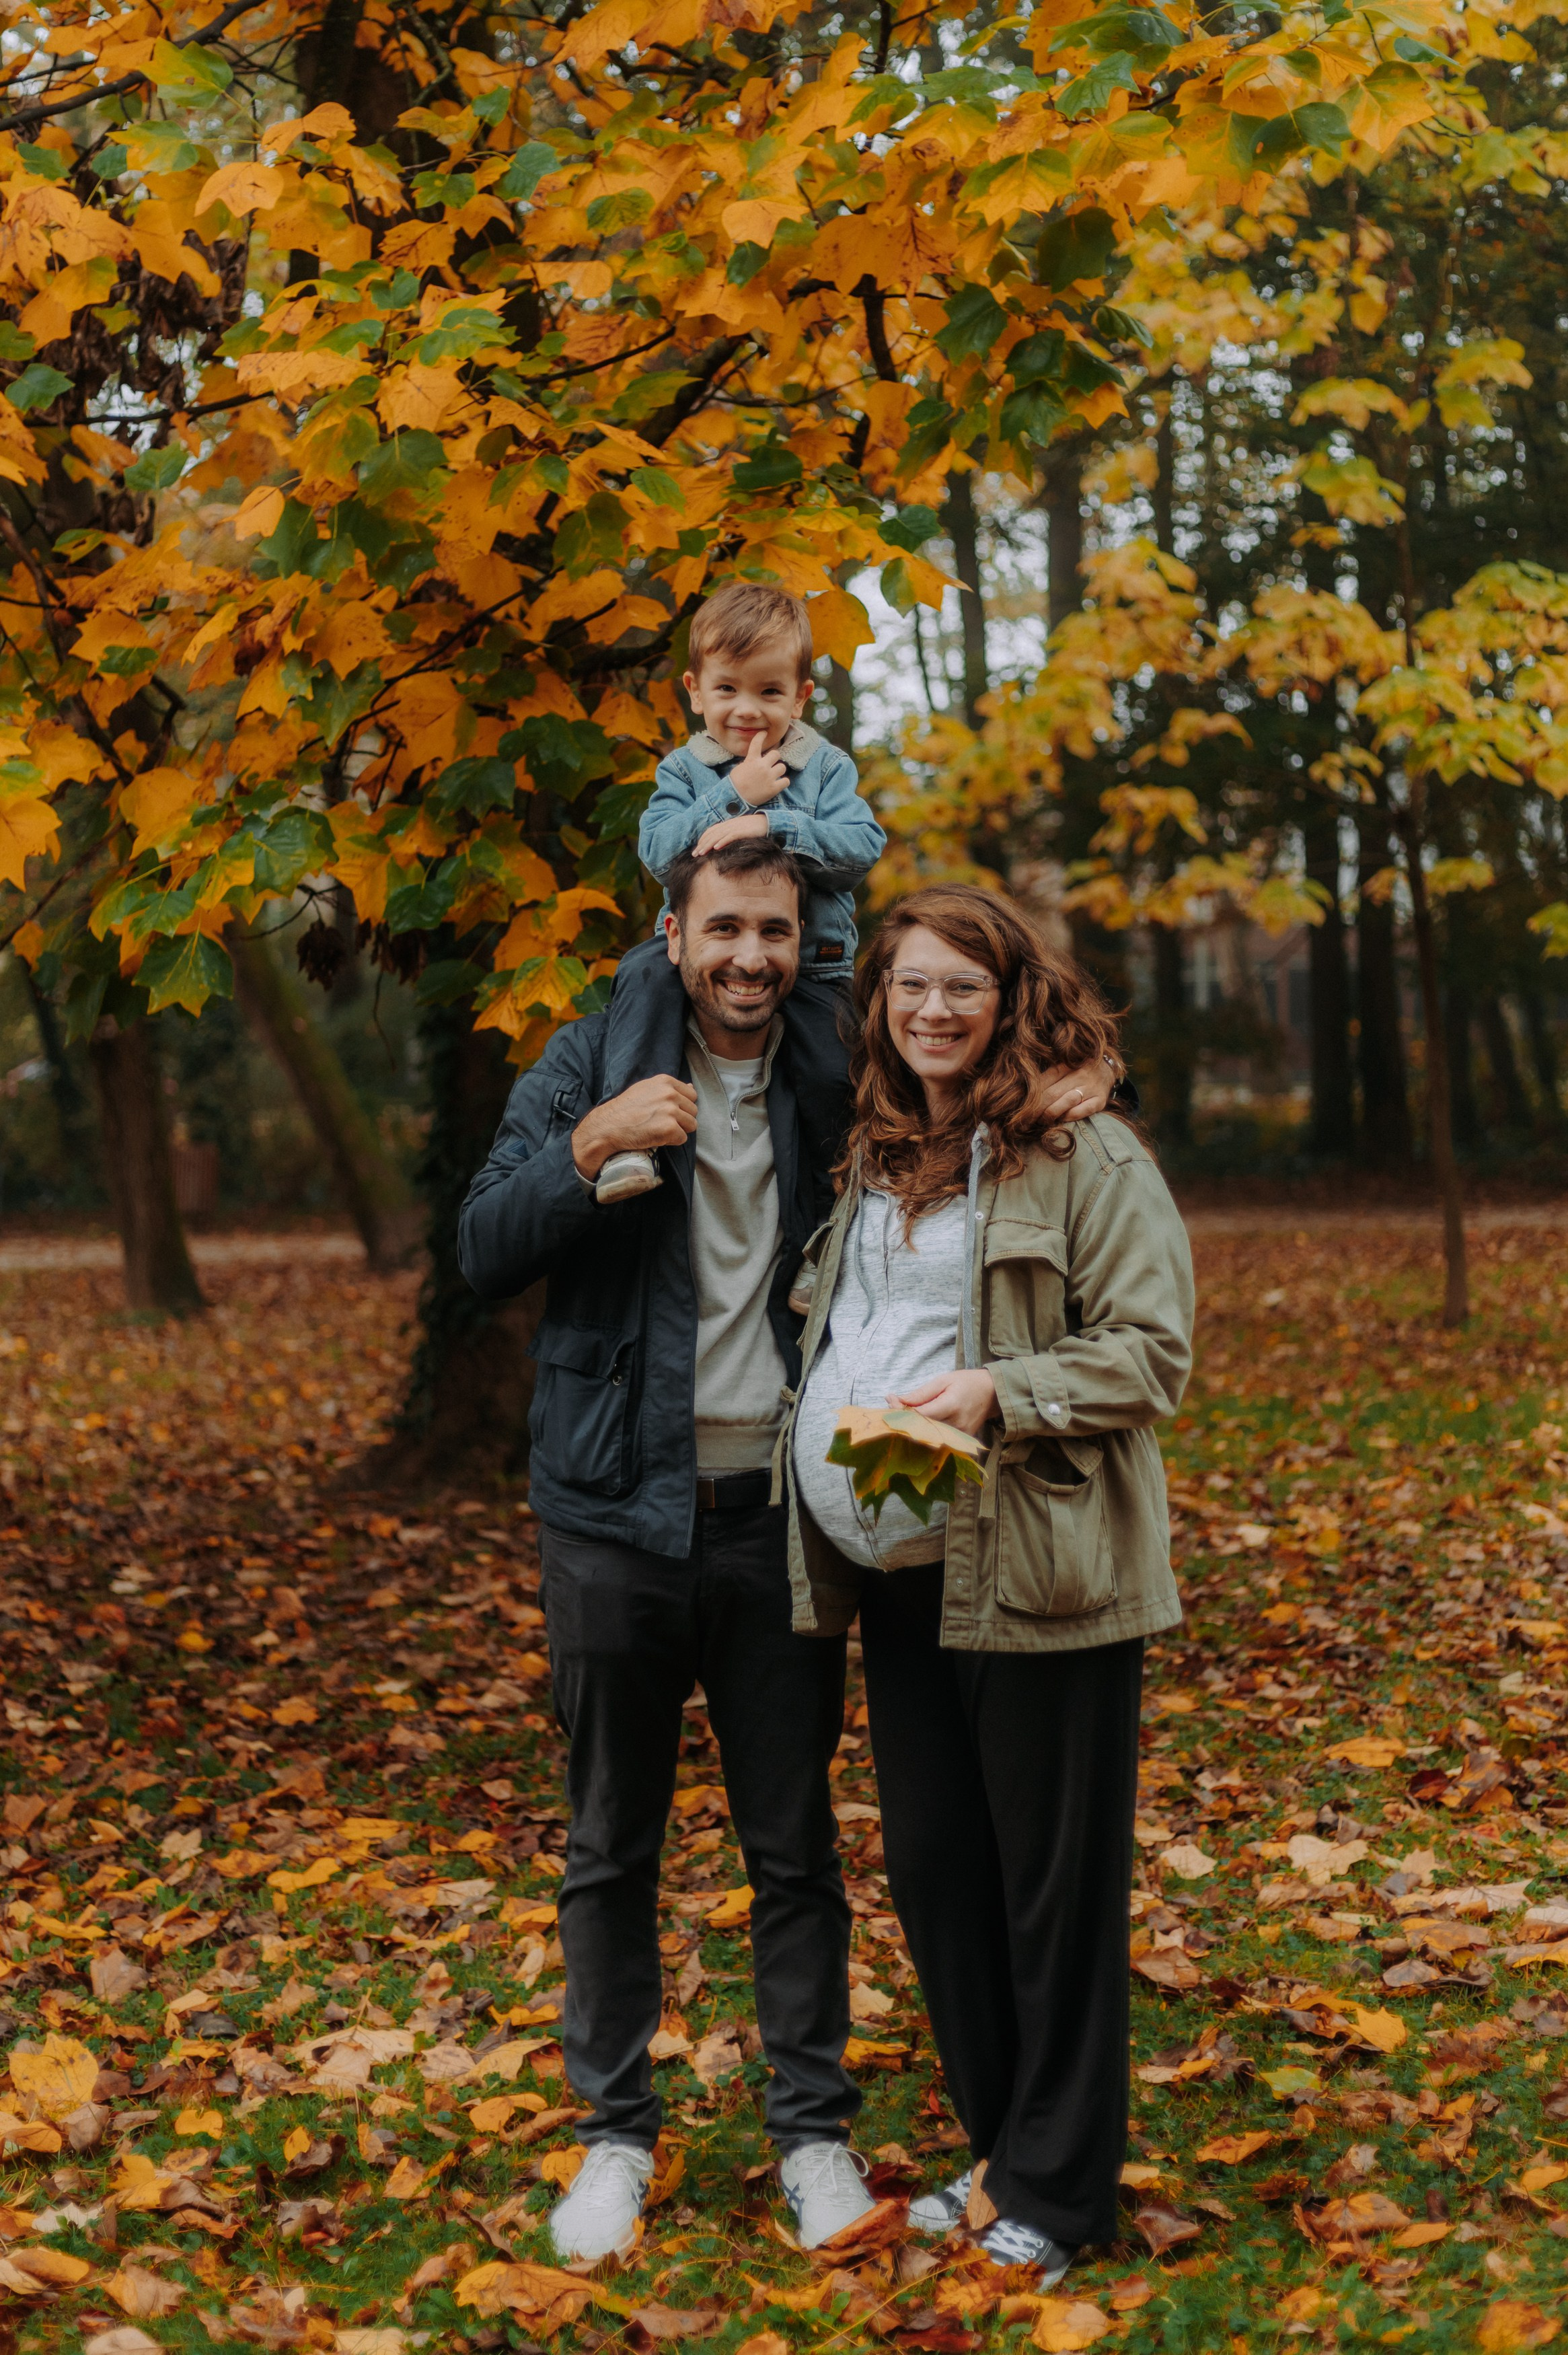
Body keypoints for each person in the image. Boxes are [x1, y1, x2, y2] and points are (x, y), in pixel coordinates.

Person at [457, 838, 876, 2263]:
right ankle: (612, 2139)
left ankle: (811, 2134)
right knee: (607, 1842)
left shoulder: (843, 1062)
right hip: (609, 1519)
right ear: (673, 928)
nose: (748, 955)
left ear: (802, 940)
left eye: (773, 930)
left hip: (781, 1516)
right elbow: (481, 1246)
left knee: (793, 1845)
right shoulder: (586, 1058)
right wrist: (584, 1152)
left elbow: (990, 1099)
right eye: (724, 929)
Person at [778, 885, 1194, 2281]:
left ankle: (1058, 2194)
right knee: (942, 1881)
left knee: (1048, 1898)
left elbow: (1150, 1351)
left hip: (1040, 1576)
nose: (932, 1011)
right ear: (879, 1004)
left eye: (960, 985)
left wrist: (997, 1391)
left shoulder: (1084, 1153)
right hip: (902, 1579)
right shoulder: (876, 1150)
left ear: (1011, 995)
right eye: (907, 987)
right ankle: (1005, 2149)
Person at [591, 579, 885, 1206]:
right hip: (698, 957)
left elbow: (860, 847)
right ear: (695, 691)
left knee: (832, 1081)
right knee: (640, 985)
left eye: (769, 691)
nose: (746, 710)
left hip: (813, 966)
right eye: (727, 689)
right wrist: (733, 797)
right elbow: (657, 852)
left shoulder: (826, 768)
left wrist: (772, 823)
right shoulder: (682, 771)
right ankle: (630, 1142)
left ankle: (825, 1229)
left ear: (801, 698)